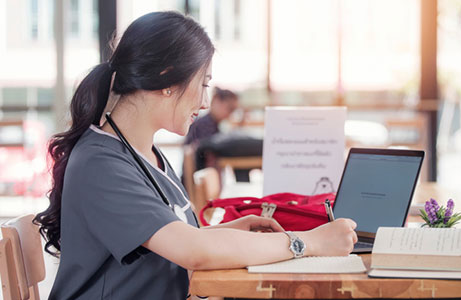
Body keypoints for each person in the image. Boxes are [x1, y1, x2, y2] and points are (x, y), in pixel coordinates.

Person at [34, 11, 357, 300]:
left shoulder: (144, 153)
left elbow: (171, 241)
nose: (204, 102)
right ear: (167, 79)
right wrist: (308, 242)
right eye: (203, 84)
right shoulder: (101, 164)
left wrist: (230, 232)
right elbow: (192, 252)